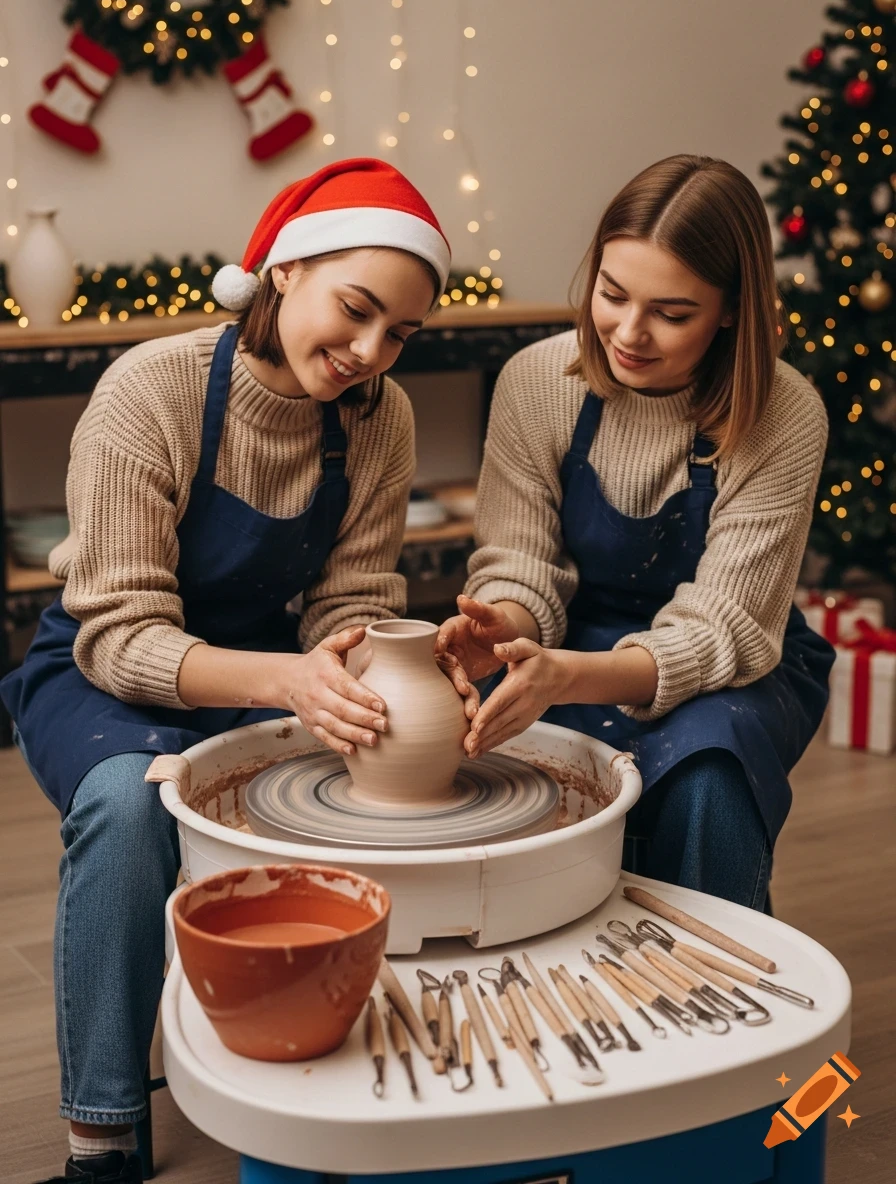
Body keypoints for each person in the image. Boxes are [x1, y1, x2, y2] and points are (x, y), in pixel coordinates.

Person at [2, 158, 474, 1184]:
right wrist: (289, 683)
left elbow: (353, 599)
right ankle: (104, 1133)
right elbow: (121, 633)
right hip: (105, 670)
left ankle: (333, 1075)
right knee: (132, 805)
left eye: (399, 334)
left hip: (272, 663)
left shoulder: (377, 418)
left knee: (367, 774)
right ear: (284, 270)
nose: (367, 353)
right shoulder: (151, 391)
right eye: (354, 311)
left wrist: (375, 668)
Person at [438, 154, 834, 913]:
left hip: (728, 665)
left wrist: (568, 674)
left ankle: (721, 1004)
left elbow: (728, 626)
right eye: (612, 294)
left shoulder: (783, 414)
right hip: (567, 641)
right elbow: (522, 566)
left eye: (673, 313)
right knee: (511, 794)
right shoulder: (536, 381)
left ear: (731, 310)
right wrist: (505, 631)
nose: (629, 331)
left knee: (707, 775)